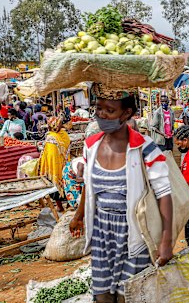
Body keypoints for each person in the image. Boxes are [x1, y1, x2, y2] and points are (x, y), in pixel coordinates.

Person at [69, 87, 173, 302]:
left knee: (128, 294)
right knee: (102, 294)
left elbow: (164, 194)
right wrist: (78, 216)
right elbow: (89, 186)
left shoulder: (145, 148)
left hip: (135, 230)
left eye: (110, 110)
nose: (102, 115)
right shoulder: (91, 145)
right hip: (101, 230)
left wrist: (166, 239)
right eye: (99, 108)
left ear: (126, 114)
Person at [38, 116, 71, 212]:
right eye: (60, 123)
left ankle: (62, 206)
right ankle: (65, 205)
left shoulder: (52, 137)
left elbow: (49, 154)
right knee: (65, 184)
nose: (62, 125)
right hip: (61, 166)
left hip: (55, 167)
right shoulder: (60, 135)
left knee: (57, 185)